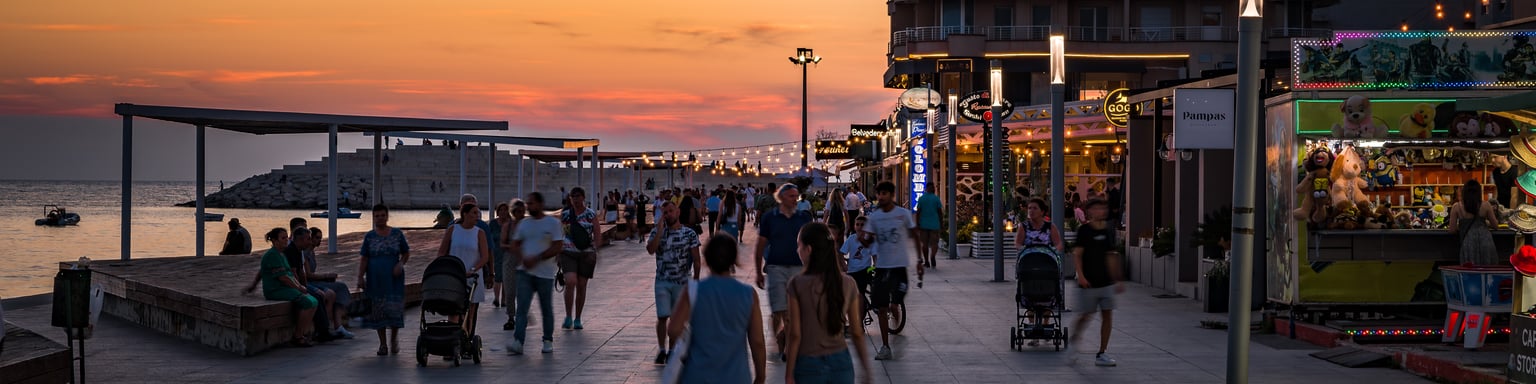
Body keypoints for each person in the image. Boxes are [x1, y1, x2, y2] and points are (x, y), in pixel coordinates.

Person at [669, 233, 767, 384]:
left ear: (707, 259)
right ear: (733, 260)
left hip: (697, 375)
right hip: (736, 376)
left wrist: (685, 350)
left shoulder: (692, 291)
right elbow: (757, 341)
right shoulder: (748, 294)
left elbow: (674, 329)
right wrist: (760, 376)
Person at [787, 222, 872, 384]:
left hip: (808, 363)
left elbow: (795, 334)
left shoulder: (797, 284)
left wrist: (789, 373)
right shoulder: (848, 283)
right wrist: (866, 370)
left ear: (809, 250)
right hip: (841, 362)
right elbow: (856, 332)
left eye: (799, 246)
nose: (797, 251)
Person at [862, 181, 921, 361]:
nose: (880, 197)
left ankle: (896, 323)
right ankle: (885, 346)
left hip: (899, 267)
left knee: (895, 304)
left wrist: (920, 261)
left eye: (884, 193)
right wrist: (862, 239)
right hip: (882, 267)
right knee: (881, 307)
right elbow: (868, 241)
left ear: (892, 195)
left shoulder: (903, 214)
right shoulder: (875, 217)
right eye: (879, 194)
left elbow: (914, 235)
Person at [755, 183, 814, 360]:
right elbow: (761, 245)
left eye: (796, 196)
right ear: (781, 197)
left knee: (791, 311)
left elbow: (811, 244)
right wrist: (758, 271)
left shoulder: (803, 218)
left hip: (798, 268)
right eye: (791, 196)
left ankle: (788, 346)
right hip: (776, 267)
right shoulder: (770, 218)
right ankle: (781, 340)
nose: (795, 200)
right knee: (778, 310)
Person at [1068, 199, 1124, 367]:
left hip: (1106, 282)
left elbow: (1110, 255)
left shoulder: (1107, 231)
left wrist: (1117, 279)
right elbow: (1077, 254)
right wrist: (1081, 276)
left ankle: (1102, 353)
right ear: (1089, 211)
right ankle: (1074, 342)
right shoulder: (1084, 230)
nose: (1101, 211)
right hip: (1089, 282)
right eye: (1097, 208)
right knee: (1086, 315)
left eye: (1103, 208)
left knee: (1107, 315)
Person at [508, 192, 565, 355]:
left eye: (531, 203)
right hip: (524, 273)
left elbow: (557, 246)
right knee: (522, 309)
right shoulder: (524, 224)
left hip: (545, 274)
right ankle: (518, 341)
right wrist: (522, 258)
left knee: (546, 308)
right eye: (527, 203)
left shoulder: (552, 223)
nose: (528, 206)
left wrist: (538, 258)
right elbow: (515, 244)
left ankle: (547, 340)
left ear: (540, 204)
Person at [646, 200, 701, 364]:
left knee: (678, 318)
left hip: (682, 281)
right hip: (662, 280)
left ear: (678, 213)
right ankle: (662, 349)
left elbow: (697, 259)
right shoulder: (657, 231)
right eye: (665, 212)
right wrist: (660, 231)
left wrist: (695, 281)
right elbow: (651, 250)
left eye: (671, 211)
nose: (668, 214)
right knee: (662, 316)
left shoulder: (689, 234)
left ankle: (672, 350)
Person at [245, 228, 319, 347]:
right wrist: (299, 288)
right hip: (275, 290)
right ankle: (298, 336)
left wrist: (299, 285)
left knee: (314, 301)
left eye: (286, 238)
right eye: (283, 238)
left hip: (286, 288)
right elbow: (283, 277)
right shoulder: (272, 255)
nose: (286, 240)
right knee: (308, 302)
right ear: (274, 240)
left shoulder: (281, 254)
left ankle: (303, 332)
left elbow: (289, 274)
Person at [359, 204, 409, 355]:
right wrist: (360, 276)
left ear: (387, 216)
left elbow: (406, 253)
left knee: (394, 308)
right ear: (373, 218)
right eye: (377, 216)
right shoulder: (369, 236)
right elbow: (364, 258)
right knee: (378, 309)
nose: (380, 218)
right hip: (375, 277)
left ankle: (394, 339)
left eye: (382, 215)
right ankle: (383, 344)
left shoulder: (397, 234)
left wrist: (400, 264)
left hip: (393, 277)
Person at [437, 203, 490, 344]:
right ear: (465, 214)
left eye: (477, 213)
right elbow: (442, 251)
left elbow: (485, 256)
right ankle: (451, 341)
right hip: (454, 274)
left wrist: (472, 270)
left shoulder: (479, 233)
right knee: (453, 309)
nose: (476, 216)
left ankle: (466, 339)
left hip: (472, 276)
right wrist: (444, 267)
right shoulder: (453, 229)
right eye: (473, 213)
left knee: (470, 312)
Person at [282, 225, 338, 342]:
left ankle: (323, 330)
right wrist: (302, 288)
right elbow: (293, 274)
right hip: (291, 286)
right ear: (301, 240)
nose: (310, 241)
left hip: (299, 284)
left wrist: (306, 285)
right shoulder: (291, 251)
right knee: (316, 296)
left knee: (320, 294)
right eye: (308, 238)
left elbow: (301, 272)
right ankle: (321, 331)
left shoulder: (298, 250)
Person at [560, 187, 601, 330]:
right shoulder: (565, 215)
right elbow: (560, 233)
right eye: (573, 196)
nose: (576, 199)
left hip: (586, 253)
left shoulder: (590, 214)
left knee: (582, 285)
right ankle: (568, 316)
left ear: (583, 197)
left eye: (578, 196)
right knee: (570, 282)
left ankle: (578, 317)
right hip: (568, 252)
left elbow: (597, 233)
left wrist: (594, 249)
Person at [305, 227, 355, 340]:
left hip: (314, 281)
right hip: (309, 283)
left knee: (341, 287)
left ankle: (338, 325)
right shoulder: (305, 253)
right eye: (317, 238)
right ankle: (326, 328)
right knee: (331, 293)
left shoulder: (311, 252)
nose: (319, 240)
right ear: (310, 238)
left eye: (320, 238)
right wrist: (326, 276)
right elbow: (307, 275)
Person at [1450, 180, 1501, 266]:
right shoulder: (1486, 205)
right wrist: (1486, 223)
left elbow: (1452, 230)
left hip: (1467, 242)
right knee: (1487, 271)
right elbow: (1495, 226)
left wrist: (1462, 225)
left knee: (1470, 271)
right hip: (1486, 241)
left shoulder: (1457, 207)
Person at [501, 199, 528, 330]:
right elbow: (502, 243)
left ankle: (522, 316)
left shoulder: (528, 225)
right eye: (517, 211)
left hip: (524, 259)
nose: (520, 214)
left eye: (522, 211)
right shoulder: (508, 225)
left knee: (523, 291)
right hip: (510, 260)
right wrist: (511, 246)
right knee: (510, 291)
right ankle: (511, 317)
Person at [841, 216, 876, 309]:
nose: (860, 227)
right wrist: (844, 265)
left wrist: (875, 267)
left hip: (865, 269)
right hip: (852, 270)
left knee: (861, 292)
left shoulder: (870, 239)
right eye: (857, 224)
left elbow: (874, 255)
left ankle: (860, 318)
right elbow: (841, 253)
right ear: (854, 226)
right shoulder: (851, 239)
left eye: (862, 225)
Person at [914, 183, 943, 269]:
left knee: (925, 244)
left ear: (926, 189)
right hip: (934, 224)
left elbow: (918, 212)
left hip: (923, 224)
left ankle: (926, 261)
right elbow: (940, 212)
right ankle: (933, 255)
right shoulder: (936, 198)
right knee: (935, 243)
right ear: (932, 189)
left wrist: (917, 223)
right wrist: (941, 223)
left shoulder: (921, 199)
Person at [489, 203, 512, 307]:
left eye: (505, 210)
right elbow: (488, 238)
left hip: (508, 253)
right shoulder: (493, 224)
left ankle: (504, 300)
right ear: (497, 212)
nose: (503, 212)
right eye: (501, 210)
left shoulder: (511, 224)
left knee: (506, 278)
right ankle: (496, 298)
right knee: (498, 276)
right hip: (496, 253)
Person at [823, 188, 847, 254]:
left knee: (832, 240)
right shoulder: (843, 202)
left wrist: (823, 223)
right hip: (840, 222)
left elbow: (826, 213)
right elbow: (846, 214)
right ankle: (840, 254)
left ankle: (834, 254)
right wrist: (848, 224)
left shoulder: (829, 202)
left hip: (831, 222)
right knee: (840, 239)